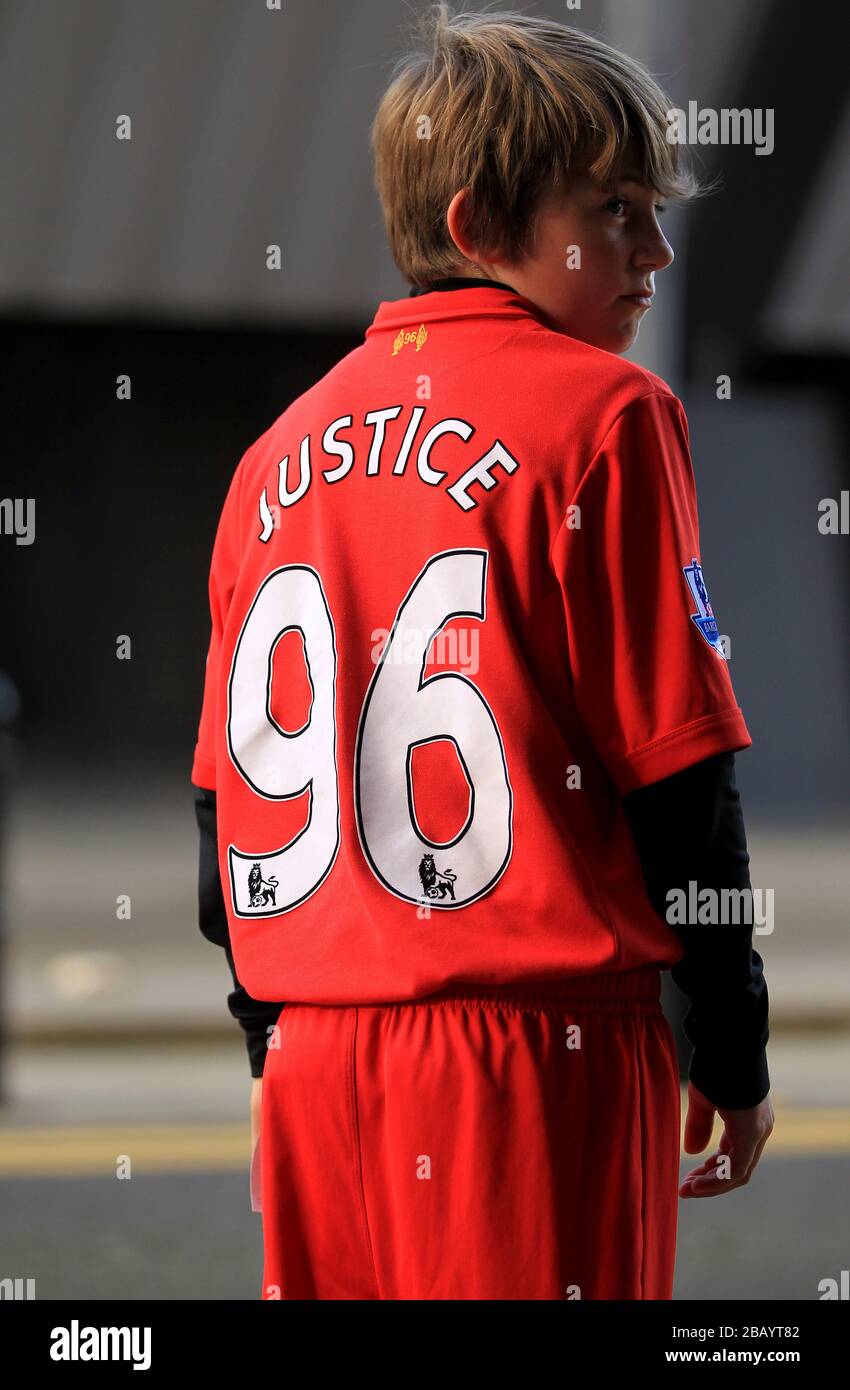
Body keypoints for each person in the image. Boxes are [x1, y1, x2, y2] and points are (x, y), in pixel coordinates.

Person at [191, 4, 772, 1300]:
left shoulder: (271, 455)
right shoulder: (608, 413)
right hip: (532, 1050)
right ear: (475, 224)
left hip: (315, 1064)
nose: (656, 250)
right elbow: (680, 780)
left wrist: (271, 1059)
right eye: (615, 210)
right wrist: (730, 1048)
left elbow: (218, 816)